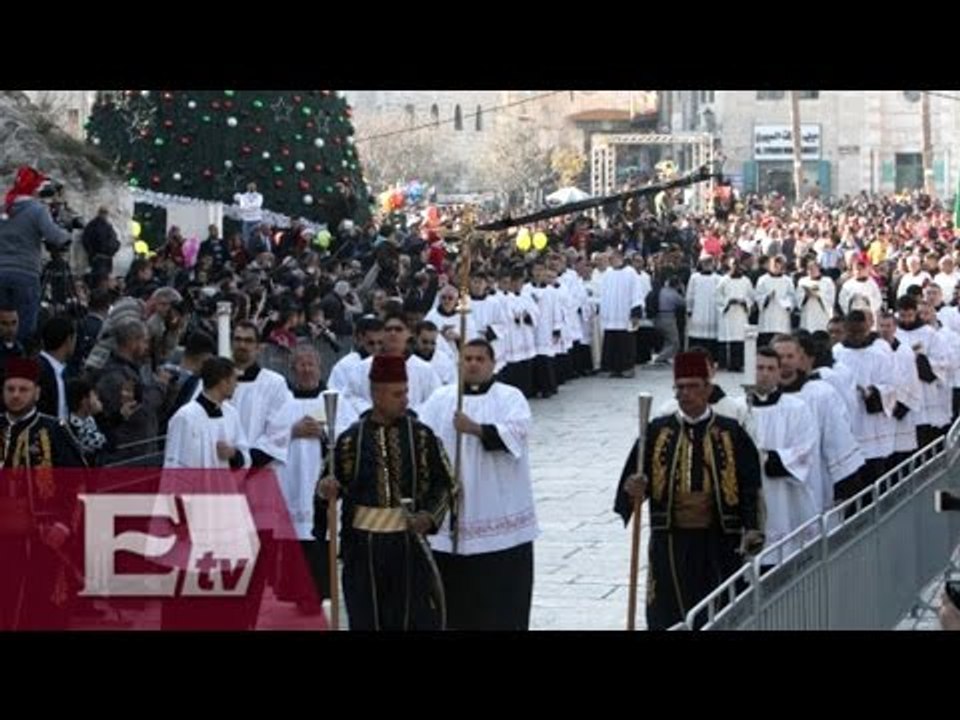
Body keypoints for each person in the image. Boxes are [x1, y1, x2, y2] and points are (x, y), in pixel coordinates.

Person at [613, 351, 764, 630]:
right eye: (680, 387)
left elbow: (749, 484)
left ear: (708, 388)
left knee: (717, 609)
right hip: (670, 539)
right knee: (668, 612)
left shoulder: (731, 432)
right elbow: (634, 483)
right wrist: (632, 489)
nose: (686, 393)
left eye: (693, 386)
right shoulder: (657, 431)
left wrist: (752, 526)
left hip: (718, 537)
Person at [317, 355, 456, 631]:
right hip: (362, 549)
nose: (405, 400)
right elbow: (326, 487)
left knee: (409, 618)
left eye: (406, 392)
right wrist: (325, 491)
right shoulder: (349, 440)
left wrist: (428, 517)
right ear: (377, 394)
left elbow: (446, 483)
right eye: (397, 394)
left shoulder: (422, 436)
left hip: (408, 546)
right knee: (367, 619)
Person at [418, 339, 538, 630]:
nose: (472, 363)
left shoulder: (510, 397)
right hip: (453, 514)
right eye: (467, 358)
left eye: (479, 359)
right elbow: (421, 438)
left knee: (499, 602)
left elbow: (517, 433)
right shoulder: (440, 399)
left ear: (492, 364)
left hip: (498, 508)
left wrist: (474, 428)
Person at [0, 357, 85, 630]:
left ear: (36, 392)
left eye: (23, 389)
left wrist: (65, 526)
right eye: (10, 389)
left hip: (42, 537)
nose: (15, 395)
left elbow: (79, 484)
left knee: (40, 608)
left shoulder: (54, 431)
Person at [274, 344, 358, 612]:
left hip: (323, 481)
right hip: (294, 483)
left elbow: (351, 437)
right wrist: (292, 431)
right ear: (292, 367)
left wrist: (324, 435)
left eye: (311, 363)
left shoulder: (336, 401)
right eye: (301, 364)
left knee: (324, 537)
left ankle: (326, 592)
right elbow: (266, 440)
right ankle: (300, 595)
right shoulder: (282, 402)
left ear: (320, 367)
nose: (307, 369)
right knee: (298, 540)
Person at [0, 167, 72, 342]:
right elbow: (53, 235)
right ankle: (21, 359)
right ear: (33, 188)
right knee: (25, 323)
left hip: (1, 271)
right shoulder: (36, 209)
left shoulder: (4, 207)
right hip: (26, 273)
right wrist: (67, 235)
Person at [163, 357, 250, 470]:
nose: (236, 385)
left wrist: (233, 454)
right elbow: (173, 464)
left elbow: (245, 455)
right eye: (234, 380)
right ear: (223, 382)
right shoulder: (185, 417)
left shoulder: (231, 414)